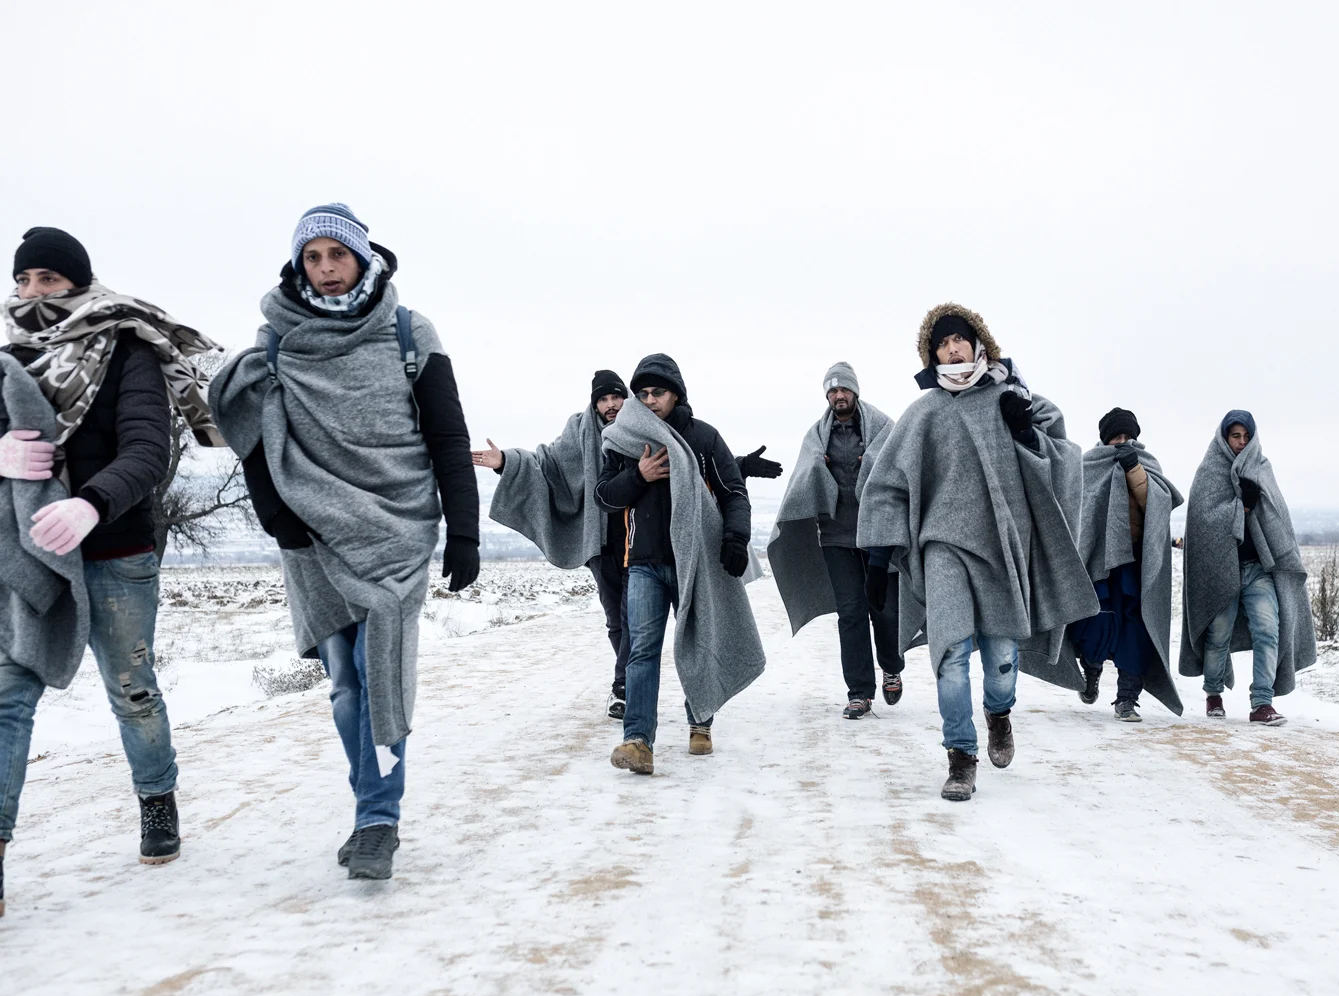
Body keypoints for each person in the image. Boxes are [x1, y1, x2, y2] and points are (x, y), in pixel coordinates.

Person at [210, 204, 479, 880]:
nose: (327, 270)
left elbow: (447, 436)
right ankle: (371, 805)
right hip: (312, 533)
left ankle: (377, 820)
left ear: (363, 257)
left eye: (338, 255)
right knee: (345, 688)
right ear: (298, 266)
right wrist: (278, 516)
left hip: (399, 527)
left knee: (378, 668)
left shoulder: (409, 333)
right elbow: (250, 437)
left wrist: (466, 531)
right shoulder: (276, 343)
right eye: (313, 258)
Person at [0, 227, 225, 913]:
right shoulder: (6, 360)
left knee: (132, 689)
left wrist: (93, 504)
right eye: (26, 279)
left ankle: (157, 799)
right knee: (9, 698)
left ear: (80, 282)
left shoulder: (127, 347)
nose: (36, 292)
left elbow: (147, 447)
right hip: (30, 555)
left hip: (114, 548)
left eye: (50, 279)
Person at [858, 304, 1098, 801]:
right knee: (950, 656)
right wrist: (878, 558)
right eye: (941, 344)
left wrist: (1026, 432)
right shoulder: (924, 412)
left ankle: (998, 713)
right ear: (933, 354)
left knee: (1003, 662)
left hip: (1001, 549)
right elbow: (885, 482)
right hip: (942, 548)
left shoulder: (1011, 398)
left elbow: (1063, 460)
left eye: (958, 339)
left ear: (977, 342)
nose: (952, 348)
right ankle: (960, 757)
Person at [474, 372, 782, 721]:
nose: (610, 405)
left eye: (616, 397)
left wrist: (741, 466)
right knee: (617, 621)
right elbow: (547, 464)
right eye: (602, 400)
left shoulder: (643, 427)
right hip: (604, 541)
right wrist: (506, 462)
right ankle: (631, 695)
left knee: (651, 624)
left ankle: (634, 691)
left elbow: (686, 460)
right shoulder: (578, 434)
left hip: (646, 541)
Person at [594, 354, 765, 775]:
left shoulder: (703, 439)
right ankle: (637, 741)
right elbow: (604, 496)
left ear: (677, 394)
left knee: (700, 642)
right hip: (644, 564)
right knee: (641, 651)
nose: (650, 400)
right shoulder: (622, 440)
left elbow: (733, 493)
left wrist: (736, 538)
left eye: (659, 392)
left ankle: (700, 721)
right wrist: (639, 475)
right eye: (643, 393)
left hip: (697, 564)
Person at [767, 362, 902, 719]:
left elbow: (897, 467)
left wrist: (868, 463)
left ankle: (891, 666)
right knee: (851, 613)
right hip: (836, 535)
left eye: (844, 389)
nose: (838, 395)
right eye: (832, 390)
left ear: (855, 391)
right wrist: (818, 470)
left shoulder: (883, 426)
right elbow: (804, 472)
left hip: (878, 535)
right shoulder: (817, 434)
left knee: (885, 612)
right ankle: (859, 692)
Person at [1179, 410, 1316, 725]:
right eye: (1235, 436)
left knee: (1268, 630)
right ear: (1224, 437)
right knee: (1218, 635)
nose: (1241, 443)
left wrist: (1256, 504)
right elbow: (1202, 520)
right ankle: (1214, 694)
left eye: (1246, 436)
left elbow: (1277, 515)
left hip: (1258, 567)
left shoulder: (1261, 468)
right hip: (1221, 569)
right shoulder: (1210, 471)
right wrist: (1240, 506)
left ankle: (1262, 703)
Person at [1064, 408, 1185, 722]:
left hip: (1136, 564)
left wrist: (1133, 469)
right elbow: (1076, 512)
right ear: (1105, 439)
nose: (1122, 442)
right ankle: (1090, 670)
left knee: (1136, 629)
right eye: (1116, 437)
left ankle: (1126, 699)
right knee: (1094, 623)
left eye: (1127, 436)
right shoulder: (1089, 465)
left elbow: (1156, 504)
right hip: (1098, 561)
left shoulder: (1145, 465)